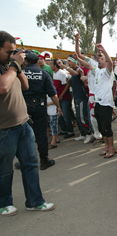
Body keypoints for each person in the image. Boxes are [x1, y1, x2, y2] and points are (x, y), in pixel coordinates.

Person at [0, 31, 55, 216]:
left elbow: (25, 86)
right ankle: (4, 203)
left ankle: (35, 201)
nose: (12, 55)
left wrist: (18, 66)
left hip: (23, 124)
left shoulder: (11, 67)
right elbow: (3, 87)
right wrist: (14, 65)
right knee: (5, 169)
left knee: (31, 164)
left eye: (14, 52)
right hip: (4, 128)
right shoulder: (8, 69)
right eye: (8, 52)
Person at [17, 50, 60, 170]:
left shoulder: (19, 72)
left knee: (24, 135)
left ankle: (24, 161)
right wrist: (58, 106)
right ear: (37, 61)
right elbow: (53, 93)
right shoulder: (43, 74)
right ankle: (44, 160)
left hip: (23, 107)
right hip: (40, 106)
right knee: (41, 134)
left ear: (25, 61)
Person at [73, 43, 117, 158]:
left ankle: (112, 148)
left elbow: (111, 63)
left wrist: (104, 50)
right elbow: (87, 64)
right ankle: (106, 147)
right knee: (102, 127)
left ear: (106, 61)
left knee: (107, 127)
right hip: (98, 102)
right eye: (98, 58)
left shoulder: (108, 72)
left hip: (106, 103)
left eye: (102, 58)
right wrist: (77, 58)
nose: (99, 59)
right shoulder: (96, 71)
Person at [62, 55, 92, 144]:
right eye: (67, 61)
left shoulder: (78, 69)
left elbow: (76, 74)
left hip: (82, 97)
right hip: (76, 96)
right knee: (78, 116)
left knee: (81, 116)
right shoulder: (72, 72)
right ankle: (83, 133)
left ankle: (88, 133)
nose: (68, 63)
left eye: (70, 61)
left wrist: (64, 66)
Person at [51, 59, 75, 138]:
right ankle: (64, 130)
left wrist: (61, 95)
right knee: (60, 115)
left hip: (65, 98)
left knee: (66, 115)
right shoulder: (54, 74)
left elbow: (67, 84)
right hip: (58, 98)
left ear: (55, 65)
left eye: (51, 64)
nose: (50, 66)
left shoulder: (61, 73)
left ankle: (70, 131)